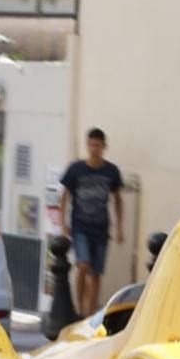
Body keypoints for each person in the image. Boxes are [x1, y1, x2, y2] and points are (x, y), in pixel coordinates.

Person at [59, 128, 125, 315]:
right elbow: (65, 195)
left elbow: (118, 199)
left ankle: (89, 314)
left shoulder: (111, 172)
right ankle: (79, 309)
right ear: (87, 145)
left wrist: (119, 227)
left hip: (102, 228)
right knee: (83, 265)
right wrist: (63, 223)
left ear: (104, 147)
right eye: (91, 145)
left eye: (98, 145)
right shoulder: (76, 169)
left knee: (95, 273)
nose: (94, 149)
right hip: (81, 225)